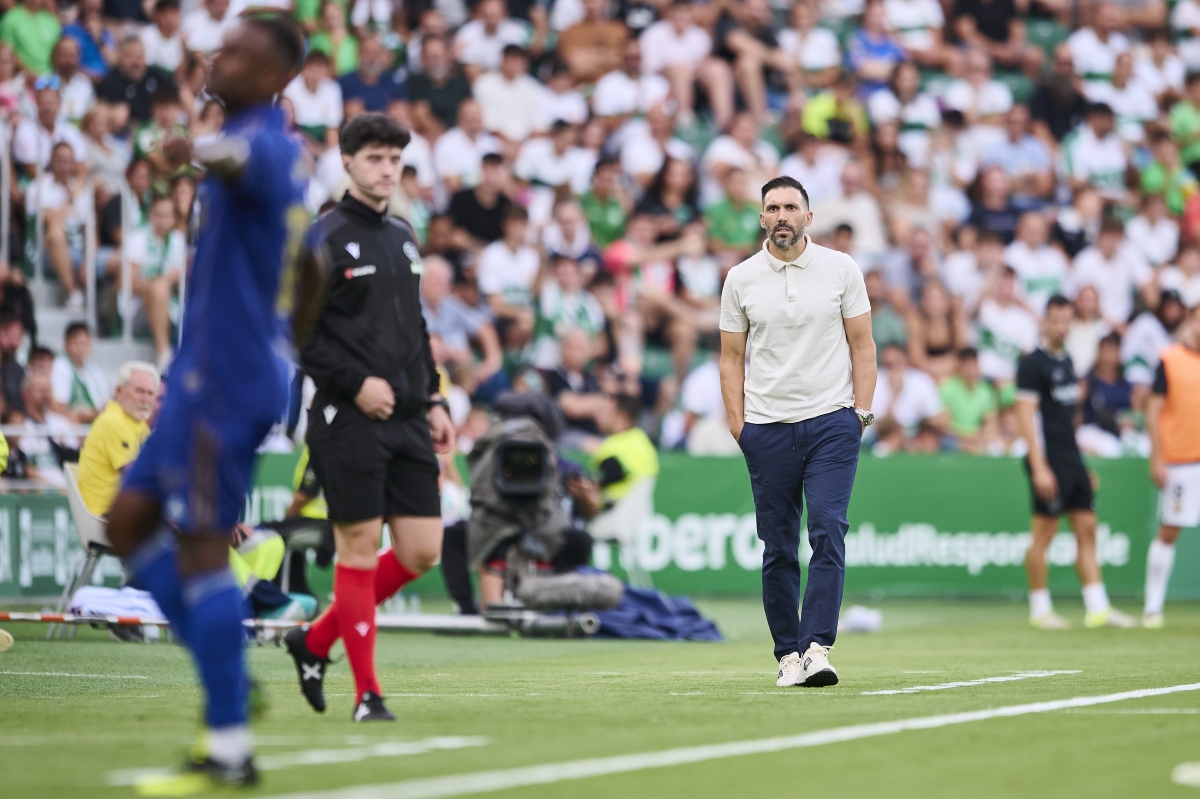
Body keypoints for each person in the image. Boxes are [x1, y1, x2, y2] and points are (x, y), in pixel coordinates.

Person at [103, 13, 307, 793]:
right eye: (220, 46)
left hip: (229, 381)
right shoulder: (253, 146)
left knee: (200, 546)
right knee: (128, 522)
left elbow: (234, 155)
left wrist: (189, 148)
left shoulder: (268, 143)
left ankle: (229, 747)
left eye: (238, 53)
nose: (218, 59)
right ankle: (229, 677)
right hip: (198, 374)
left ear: (275, 76)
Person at [285, 113, 455, 725]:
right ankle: (367, 696)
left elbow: (417, 330)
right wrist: (355, 385)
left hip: (408, 417)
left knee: (422, 551)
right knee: (357, 552)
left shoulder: (404, 234)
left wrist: (434, 399)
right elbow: (296, 334)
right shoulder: (320, 238)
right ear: (347, 163)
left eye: (395, 160)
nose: (387, 170)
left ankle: (313, 641)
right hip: (347, 418)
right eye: (375, 159)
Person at [719, 176, 875, 688]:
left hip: (832, 421)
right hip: (766, 428)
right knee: (779, 547)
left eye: (791, 207)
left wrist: (861, 415)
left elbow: (863, 344)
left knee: (828, 530)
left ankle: (816, 648)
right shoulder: (740, 278)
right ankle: (788, 655)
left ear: (808, 216)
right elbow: (730, 357)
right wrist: (740, 427)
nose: (782, 215)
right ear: (762, 218)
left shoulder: (841, 268)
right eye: (773, 208)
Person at [1015, 295, 1135, 630]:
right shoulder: (1032, 364)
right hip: (1048, 460)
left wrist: (1081, 464)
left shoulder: (1067, 361)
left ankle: (1098, 608)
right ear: (1045, 322)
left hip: (1071, 460)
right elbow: (1026, 418)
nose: (1062, 327)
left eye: (1067, 321)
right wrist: (1039, 467)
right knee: (1044, 534)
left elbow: (1068, 421)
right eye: (1056, 320)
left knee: (1088, 529)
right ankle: (1040, 609)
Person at [1142, 304, 1200, 627]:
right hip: (1181, 461)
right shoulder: (1169, 360)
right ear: (1190, 320)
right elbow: (1153, 410)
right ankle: (1153, 606)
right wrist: (1157, 456)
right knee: (1169, 530)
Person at [76, 362, 158, 516]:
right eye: (139, 391)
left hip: (117, 511)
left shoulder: (137, 423)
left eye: (150, 393)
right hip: (105, 514)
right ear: (119, 392)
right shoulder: (113, 422)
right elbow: (135, 475)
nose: (145, 399)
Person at [50, 323, 110, 423]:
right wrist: (93, 414)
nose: (80, 349)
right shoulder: (60, 366)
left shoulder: (95, 369)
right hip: (69, 424)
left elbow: (105, 403)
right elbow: (60, 407)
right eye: (76, 344)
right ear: (65, 344)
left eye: (84, 344)